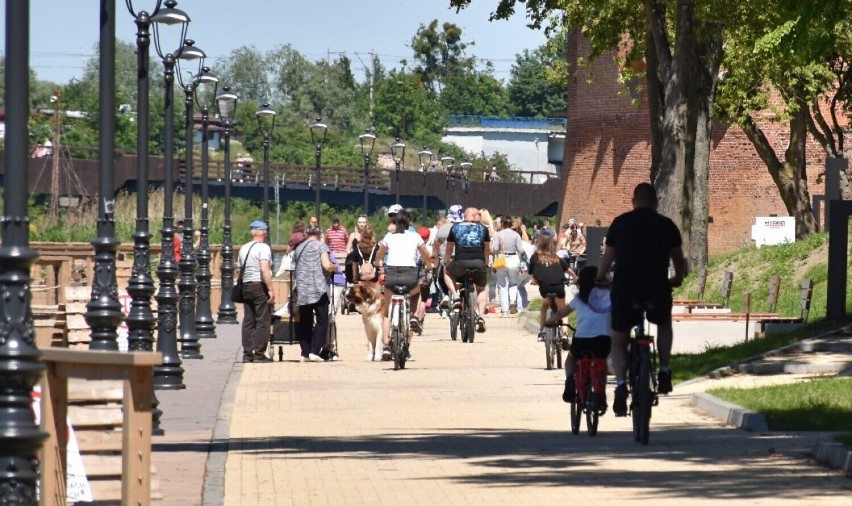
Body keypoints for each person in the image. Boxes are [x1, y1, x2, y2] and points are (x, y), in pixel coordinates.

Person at [597, 182, 686, 417]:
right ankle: (664, 369)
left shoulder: (620, 223)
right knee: (664, 323)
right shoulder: (667, 225)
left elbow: (607, 258)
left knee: (619, 340)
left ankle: (620, 386)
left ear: (633, 201)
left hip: (625, 288)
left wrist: (598, 277)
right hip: (656, 287)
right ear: (655, 201)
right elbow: (679, 260)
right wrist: (676, 278)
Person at [544, 266, 612, 408]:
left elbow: (561, 313)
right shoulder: (608, 295)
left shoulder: (579, 299)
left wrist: (549, 322)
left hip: (582, 340)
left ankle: (570, 379)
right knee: (602, 362)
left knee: (571, 358)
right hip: (603, 340)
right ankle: (601, 394)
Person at [375, 209, 433, 361]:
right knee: (416, 293)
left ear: (394, 222)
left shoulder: (389, 237)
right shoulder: (415, 236)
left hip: (392, 276)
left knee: (387, 313)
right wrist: (429, 265)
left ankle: (387, 347)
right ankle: (414, 317)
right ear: (409, 223)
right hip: (409, 275)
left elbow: (379, 255)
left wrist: (377, 263)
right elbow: (425, 255)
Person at [293, 224, 337, 362]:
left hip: (303, 289)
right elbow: (326, 265)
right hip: (318, 288)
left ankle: (305, 353)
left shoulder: (299, 248)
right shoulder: (321, 246)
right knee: (322, 320)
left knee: (305, 321)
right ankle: (314, 350)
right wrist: (334, 267)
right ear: (319, 234)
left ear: (306, 234)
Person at [444, 207, 490, 333]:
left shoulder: (455, 227)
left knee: (447, 272)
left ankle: (455, 295)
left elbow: (449, 248)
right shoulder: (483, 228)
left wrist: (446, 262)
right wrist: (485, 263)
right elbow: (487, 249)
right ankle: (480, 316)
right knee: (481, 288)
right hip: (479, 263)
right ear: (475, 216)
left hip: (460, 262)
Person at [236, 220, 275, 363]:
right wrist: (270, 289)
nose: (266, 233)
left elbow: (239, 270)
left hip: (246, 285)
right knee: (263, 321)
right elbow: (264, 269)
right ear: (261, 232)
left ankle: (247, 354)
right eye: (265, 231)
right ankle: (259, 354)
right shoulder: (263, 248)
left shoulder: (243, 248)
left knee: (248, 320)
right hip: (258, 285)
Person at [528, 233, 576, 336]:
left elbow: (531, 273)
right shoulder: (556, 257)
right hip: (558, 286)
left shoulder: (535, 257)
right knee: (562, 310)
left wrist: (534, 281)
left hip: (545, 288)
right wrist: (576, 278)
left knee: (545, 306)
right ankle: (564, 335)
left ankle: (541, 331)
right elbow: (568, 270)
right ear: (551, 245)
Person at [492, 215, 525, 316]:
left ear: (501, 223)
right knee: (513, 283)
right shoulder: (516, 235)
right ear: (511, 223)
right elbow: (520, 250)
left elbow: (495, 249)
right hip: (514, 259)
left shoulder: (498, 235)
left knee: (502, 286)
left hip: (502, 260)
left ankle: (505, 310)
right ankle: (512, 302)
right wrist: (523, 261)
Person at [432, 205, 464, 309]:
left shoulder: (443, 229)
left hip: (448, 259)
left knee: (440, 278)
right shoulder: (466, 228)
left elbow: (435, 246)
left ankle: (447, 294)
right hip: (465, 259)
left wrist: (434, 256)